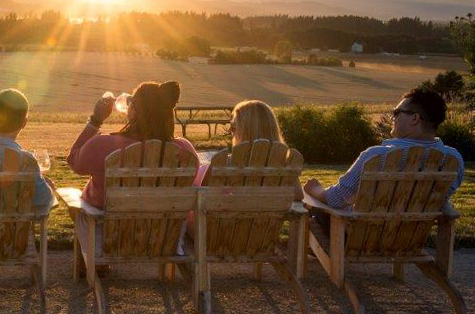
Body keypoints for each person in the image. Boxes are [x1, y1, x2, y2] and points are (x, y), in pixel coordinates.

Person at [303, 88, 465, 228]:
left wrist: (315, 189)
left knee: (313, 205)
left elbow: (337, 199)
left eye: (397, 112)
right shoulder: (453, 160)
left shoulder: (377, 156)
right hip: (410, 239)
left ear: (414, 119)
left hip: (360, 237)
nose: (393, 117)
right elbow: (441, 201)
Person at [68, 81, 200, 209]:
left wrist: (95, 120)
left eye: (130, 101)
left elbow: (74, 161)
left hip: (105, 228)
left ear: (135, 110)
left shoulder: (103, 144)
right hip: (165, 229)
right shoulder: (185, 150)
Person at [197, 99, 303, 199]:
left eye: (233, 127)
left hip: (229, 217)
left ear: (245, 131)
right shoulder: (285, 164)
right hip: (270, 218)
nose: (230, 132)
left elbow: (201, 197)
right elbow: (298, 196)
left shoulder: (223, 163)